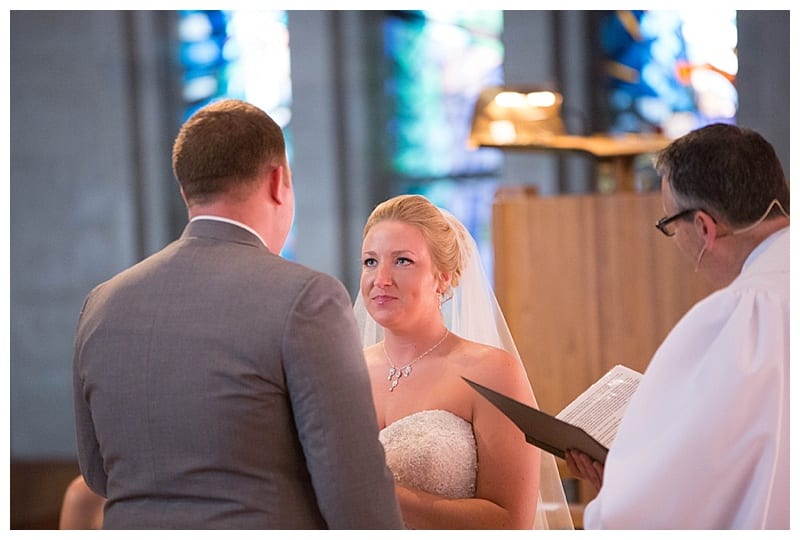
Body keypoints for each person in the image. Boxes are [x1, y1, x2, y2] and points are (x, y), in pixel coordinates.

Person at [72, 99, 403, 529]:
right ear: (277, 181)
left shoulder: (101, 304)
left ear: (185, 190)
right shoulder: (306, 298)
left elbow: (98, 474)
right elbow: (357, 499)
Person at [566, 123, 789, 529]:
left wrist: (619, 480)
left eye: (669, 225)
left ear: (704, 227)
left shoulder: (737, 318)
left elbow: (648, 513)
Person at [353, 194, 573, 530]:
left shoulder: (491, 372)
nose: (380, 279)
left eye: (402, 261)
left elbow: (510, 522)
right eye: (370, 262)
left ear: (443, 276)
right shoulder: (345, 373)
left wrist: (376, 490)